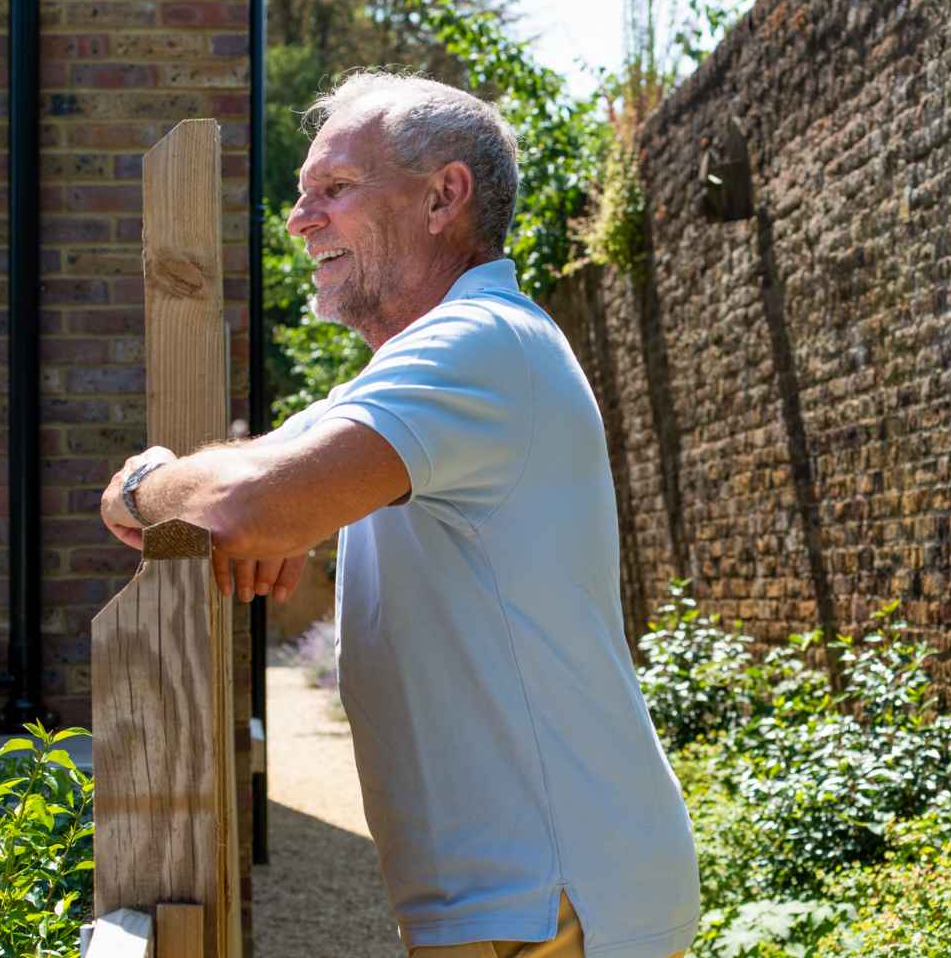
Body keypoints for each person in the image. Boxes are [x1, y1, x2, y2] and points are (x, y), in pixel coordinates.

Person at [99, 72, 699, 957]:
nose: (301, 220)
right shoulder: (417, 370)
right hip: (526, 898)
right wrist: (259, 508)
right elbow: (258, 491)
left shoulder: (479, 345)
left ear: (441, 198)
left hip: (548, 900)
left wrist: (144, 480)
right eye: (303, 196)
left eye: (333, 191)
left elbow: (236, 502)